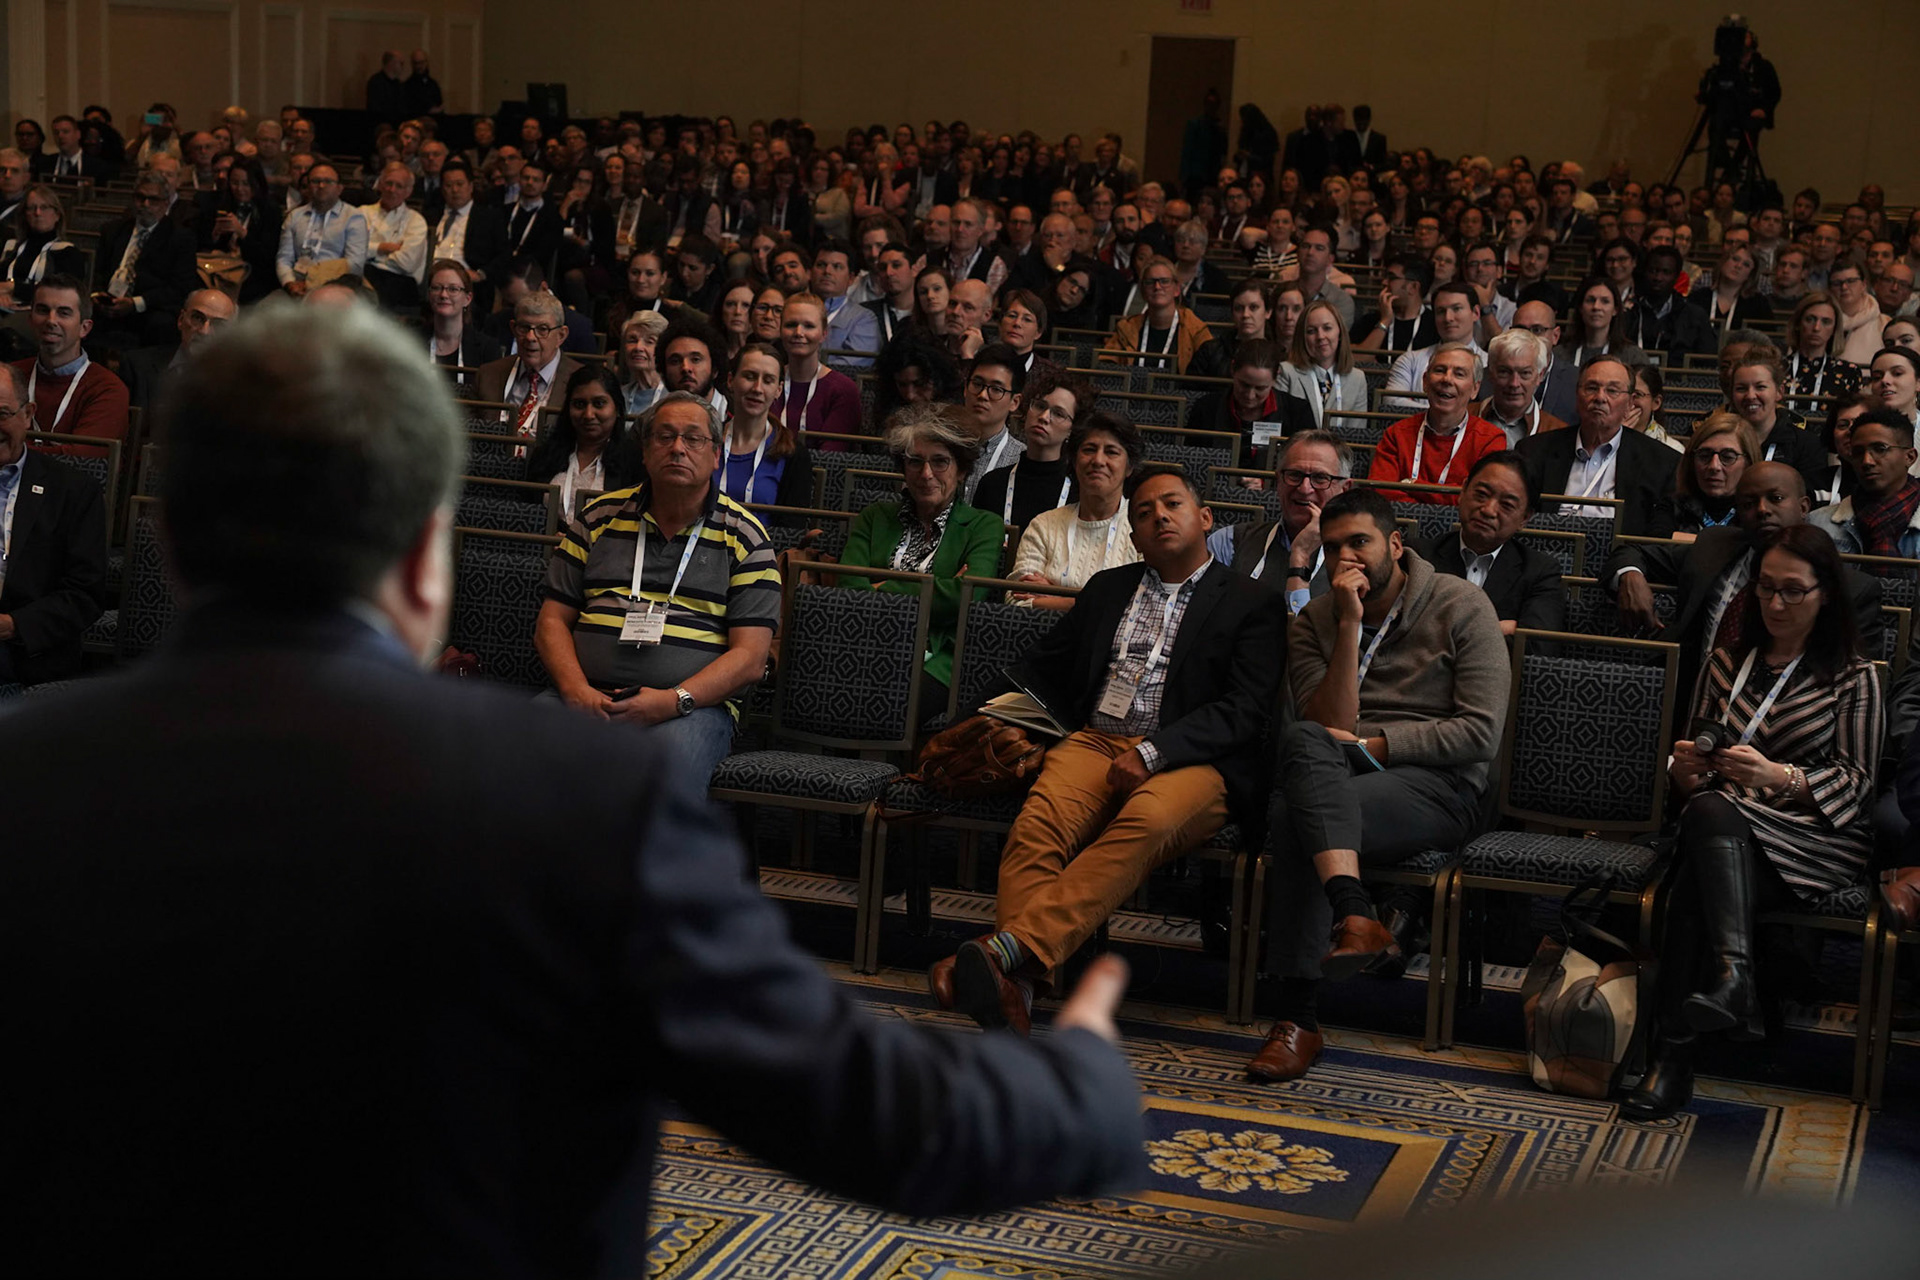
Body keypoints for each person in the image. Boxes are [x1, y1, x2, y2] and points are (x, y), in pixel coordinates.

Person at [0, 301, 1148, 1273]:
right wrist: (1083, 1079)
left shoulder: (26, 770)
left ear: (178, 548)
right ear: (425, 556)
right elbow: (889, 1123)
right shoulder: (578, 801)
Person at [932, 467, 1283, 1034]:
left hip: (1196, 759)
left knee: (1144, 820)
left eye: (1172, 504)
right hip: (1095, 740)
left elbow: (1244, 711)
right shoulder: (1108, 588)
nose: (1159, 517)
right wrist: (966, 722)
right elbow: (1040, 669)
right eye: (1144, 512)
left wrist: (1153, 753)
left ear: (1205, 519)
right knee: (1038, 827)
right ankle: (1015, 986)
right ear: (1135, 535)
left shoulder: (1250, 602)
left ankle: (1007, 952)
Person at [1248, 487, 1509, 1082]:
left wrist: (1377, 746)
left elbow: (1480, 734)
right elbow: (1325, 726)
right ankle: (1356, 915)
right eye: (1334, 548)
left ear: (1395, 543)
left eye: (1360, 543)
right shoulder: (1315, 619)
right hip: (1337, 771)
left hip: (1437, 785)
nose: (1348, 560)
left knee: (1296, 815)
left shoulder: (1463, 605)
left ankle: (1297, 1017)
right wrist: (1347, 625)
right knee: (1304, 752)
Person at [1626, 524, 1880, 1120]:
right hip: (1724, 829)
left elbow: (1858, 785)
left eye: (1793, 591)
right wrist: (1686, 772)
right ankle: (1730, 984)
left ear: (1825, 595)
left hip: (1814, 838)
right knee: (1705, 835)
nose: (1775, 603)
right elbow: (1691, 767)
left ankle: (1673, 1060)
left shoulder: (1855, 676)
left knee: (1693, 876)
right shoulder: (1724, 664)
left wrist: (1777, 778)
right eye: (1765, 588)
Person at [537, 389, 776, 783]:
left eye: (693, 438)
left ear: (716, 455)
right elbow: (551, 622)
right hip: (583, 696)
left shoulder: (746, 537)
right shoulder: (597, 518)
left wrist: (673, 700)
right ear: (645, 453)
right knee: (510, 754)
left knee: (658, 774)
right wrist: (576, 690)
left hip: (690, 709)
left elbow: (750, 658)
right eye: (664, 437)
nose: (678, 448)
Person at [835, 404, 1004, 704]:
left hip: (938, 657)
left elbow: (966, 597)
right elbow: (849, 591)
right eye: (915, 462)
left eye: (940, 462)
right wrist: (939, 588)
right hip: (864, 644)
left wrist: (883, 586)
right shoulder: (874, 517)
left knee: (892, 701)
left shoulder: (984, 526)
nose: (926, 474)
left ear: (961, 469)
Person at [0, 361, 105, 686]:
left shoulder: (72, 491)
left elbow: (84, 594)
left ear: (28, 413)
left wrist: (12, 625)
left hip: (23, 653)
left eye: (1, 414)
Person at [1516, 355, 1678, 537]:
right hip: (1545, 554)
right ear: (1577, 396)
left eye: (1613, 391)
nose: (1600, 398)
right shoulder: (1534, 451)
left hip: (1620, 560)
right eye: (1592, 388)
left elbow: (1658, 534)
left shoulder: (1661, 463)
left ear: (1630, 404)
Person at [1205, 429, 1354, 617]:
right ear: (1278, 481)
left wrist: (1300, 556)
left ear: (1345, 489)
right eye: (1294, 475)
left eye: (1320, 478)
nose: (1304, 488)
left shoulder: (1357, 560)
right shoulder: (1228, 542)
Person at [1007, 409, 1144, 609]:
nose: (1098, 460)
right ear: (1074, 460)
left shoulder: (1144, 526)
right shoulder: (1044, 525)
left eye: (1111, 452)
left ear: (1129, 467)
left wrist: (1056, 599)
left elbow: (1142, 608)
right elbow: (1014, 602)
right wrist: (1102, 603)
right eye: (1089, 449)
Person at [1422, 451, 1565, 634]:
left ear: (1525, 518)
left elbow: (1537, 645)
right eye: (1481, 494)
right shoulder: (1420, 556)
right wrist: (1500, 628)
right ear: (1463, 491)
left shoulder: (1540, 572)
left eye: (1506, 505)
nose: (1489, 510)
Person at [1368, 343, 1506, 503]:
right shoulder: (1397, 434)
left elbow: (1477, 499)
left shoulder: (1490, 439)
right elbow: (1380, 493)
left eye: (1459, 374)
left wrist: (1412, 485)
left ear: (1475, 389)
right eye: (1440, 370)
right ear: (1425, 382)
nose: (1447, 379)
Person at [10, 276, 129, 444]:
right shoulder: (9, 377)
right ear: (30, 320)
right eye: (43, 310)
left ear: (84, 328)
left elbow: (83, 459)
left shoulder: (107, 388)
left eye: (63, 313)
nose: (51, 321)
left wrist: (12, 452)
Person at [973, 364, 1088, 532]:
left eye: (1058, 414)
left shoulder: (1079, 493)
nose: (1044, 417)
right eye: (1040, 406)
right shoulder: (992, 484)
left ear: (1072, 429)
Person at [524, 364, 632, 520]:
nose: (588, 414)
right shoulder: (545, 455)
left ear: (617, 408)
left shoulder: (633, 459)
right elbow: (528, 511)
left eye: (599, 404)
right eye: (579, 404)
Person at [474, 292, 582, 445]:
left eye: (542, 329)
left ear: (561, 335)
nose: (530, 337)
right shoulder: (487, 375)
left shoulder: (580, 382)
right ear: (513, 328)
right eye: (524, 328)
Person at [716, 341, 814, 508]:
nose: (757, 388)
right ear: (731, 380)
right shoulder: (705, 440)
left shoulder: (794, 455)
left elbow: (790, 530)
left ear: (778, 390)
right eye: (749, 377)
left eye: (768, 381)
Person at [1810, 409, 1920, 558]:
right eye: (1858, 452)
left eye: (1880, 449)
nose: (1867, 461)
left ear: (1909, 457)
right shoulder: (1818, 524)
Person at [1724, 351, 1828, 500]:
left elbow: (1808, 500)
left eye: (1760, 387)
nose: (1750, 395)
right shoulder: (1720, 441)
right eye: (1741, 388)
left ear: (1779, 392)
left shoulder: (1806, 445)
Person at [116, 287, 235, 413]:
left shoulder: (240, 383)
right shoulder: (136, 365)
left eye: (218, 325)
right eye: (198, 318)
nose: (204, 331)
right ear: (181, 320)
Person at [772, 292, 863, 440]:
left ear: (824, 334)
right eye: (791, 325)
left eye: (808, 326)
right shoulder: (765, 382)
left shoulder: (843, 389)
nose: (798, 333)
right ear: (780, 330)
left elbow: (831, 456)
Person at [1101, 260, 1217, 376]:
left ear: (1176, 289)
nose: (1157, 287)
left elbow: (1211, 370)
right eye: (1150, 282)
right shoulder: (1126, 328)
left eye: (1164, 281)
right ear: (1143, 291)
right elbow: (1105, 365)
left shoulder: (1196, 330)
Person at [1381, 282, 1483, 413]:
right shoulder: (1410, 360)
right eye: (1441, 311)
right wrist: (1451, 411)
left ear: (1476, 313)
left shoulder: (1490, 363)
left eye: (1456, 309)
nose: (1448, 318)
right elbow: (1392, 402)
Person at [956, 342, 1028, 504]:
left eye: (996, 389)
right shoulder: (942, 445)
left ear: (1014, 402)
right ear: (965, 388)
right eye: (977, 384)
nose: (982, 395)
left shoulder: (1021, 460)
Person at [1279, 298, 1367, 429]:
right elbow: (1281, 428)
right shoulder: (1286, 372)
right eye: (1311, 331)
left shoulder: (1357, 379)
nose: (1320, 336)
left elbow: (1356, 435)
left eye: (1327, 328)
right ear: (1302, 337)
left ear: (1340, 333)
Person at [0, 186, 86, 315]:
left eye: (44, 207)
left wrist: (13, 288)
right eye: (32, 208)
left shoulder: (67, 253)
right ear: (25, 214)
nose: (38, 213)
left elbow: (62, 294)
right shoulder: (11, 247)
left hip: (44, 315)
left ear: (57, 215)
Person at [356, 163, 429, 313]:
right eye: (388, 183)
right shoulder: (361, 213)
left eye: (399, 186)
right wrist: (381, 248)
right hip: (362, 274)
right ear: (380, 185)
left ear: (408, 192)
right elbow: (350, 250)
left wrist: (369, 253)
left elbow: (407, 263)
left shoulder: (416, 221)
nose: (392, 190)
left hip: (399, 282)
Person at [1672, 414, 1760, 537]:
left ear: (1748, 463)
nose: (1714, 466)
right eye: (1704, 456)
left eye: (1728, 457)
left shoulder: (1760, 513)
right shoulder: (1671, 509)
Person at [1476, 329, 1566, 447]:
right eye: (1504, 372)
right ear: (1491, 373)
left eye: (1525, 373)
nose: (1514, 383)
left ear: (1540, 375)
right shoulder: (1464, 418)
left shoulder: (1557, 432)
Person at [1629, 245, 1718, 359]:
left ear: (1677, 276)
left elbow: (1708, 363)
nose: (1658, 278)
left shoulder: (1695, 316)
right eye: (1653, 271)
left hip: (1678, 376)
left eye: (1666, 272)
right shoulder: (1631, 311)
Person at [422, 260, 500, 386]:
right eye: (436, 288)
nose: (443, 295)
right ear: (429, 294)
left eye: (453, 289)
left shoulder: (487, 349)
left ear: (467, 298)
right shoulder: (409, 342)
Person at [1352, 254, 1436, 354]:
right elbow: (1358, 360)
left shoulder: (1434, 325)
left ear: (1413, 287)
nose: (1384, 282)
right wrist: (1385, 321)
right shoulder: (1370, 321)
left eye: (1391, 277)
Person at [1829, 262, 1886, 366]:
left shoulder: (1884, 323)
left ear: (1864, 285)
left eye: (1851, 281)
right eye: (1837, 283)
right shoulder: (1822, 323)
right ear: (1830, 288)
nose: (1844, 287)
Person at [1868, 346, 1920, 430]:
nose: (1885, 380)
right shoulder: (1861, 429)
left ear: (1918, 383)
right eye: (1877, 377)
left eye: (1897, 373)